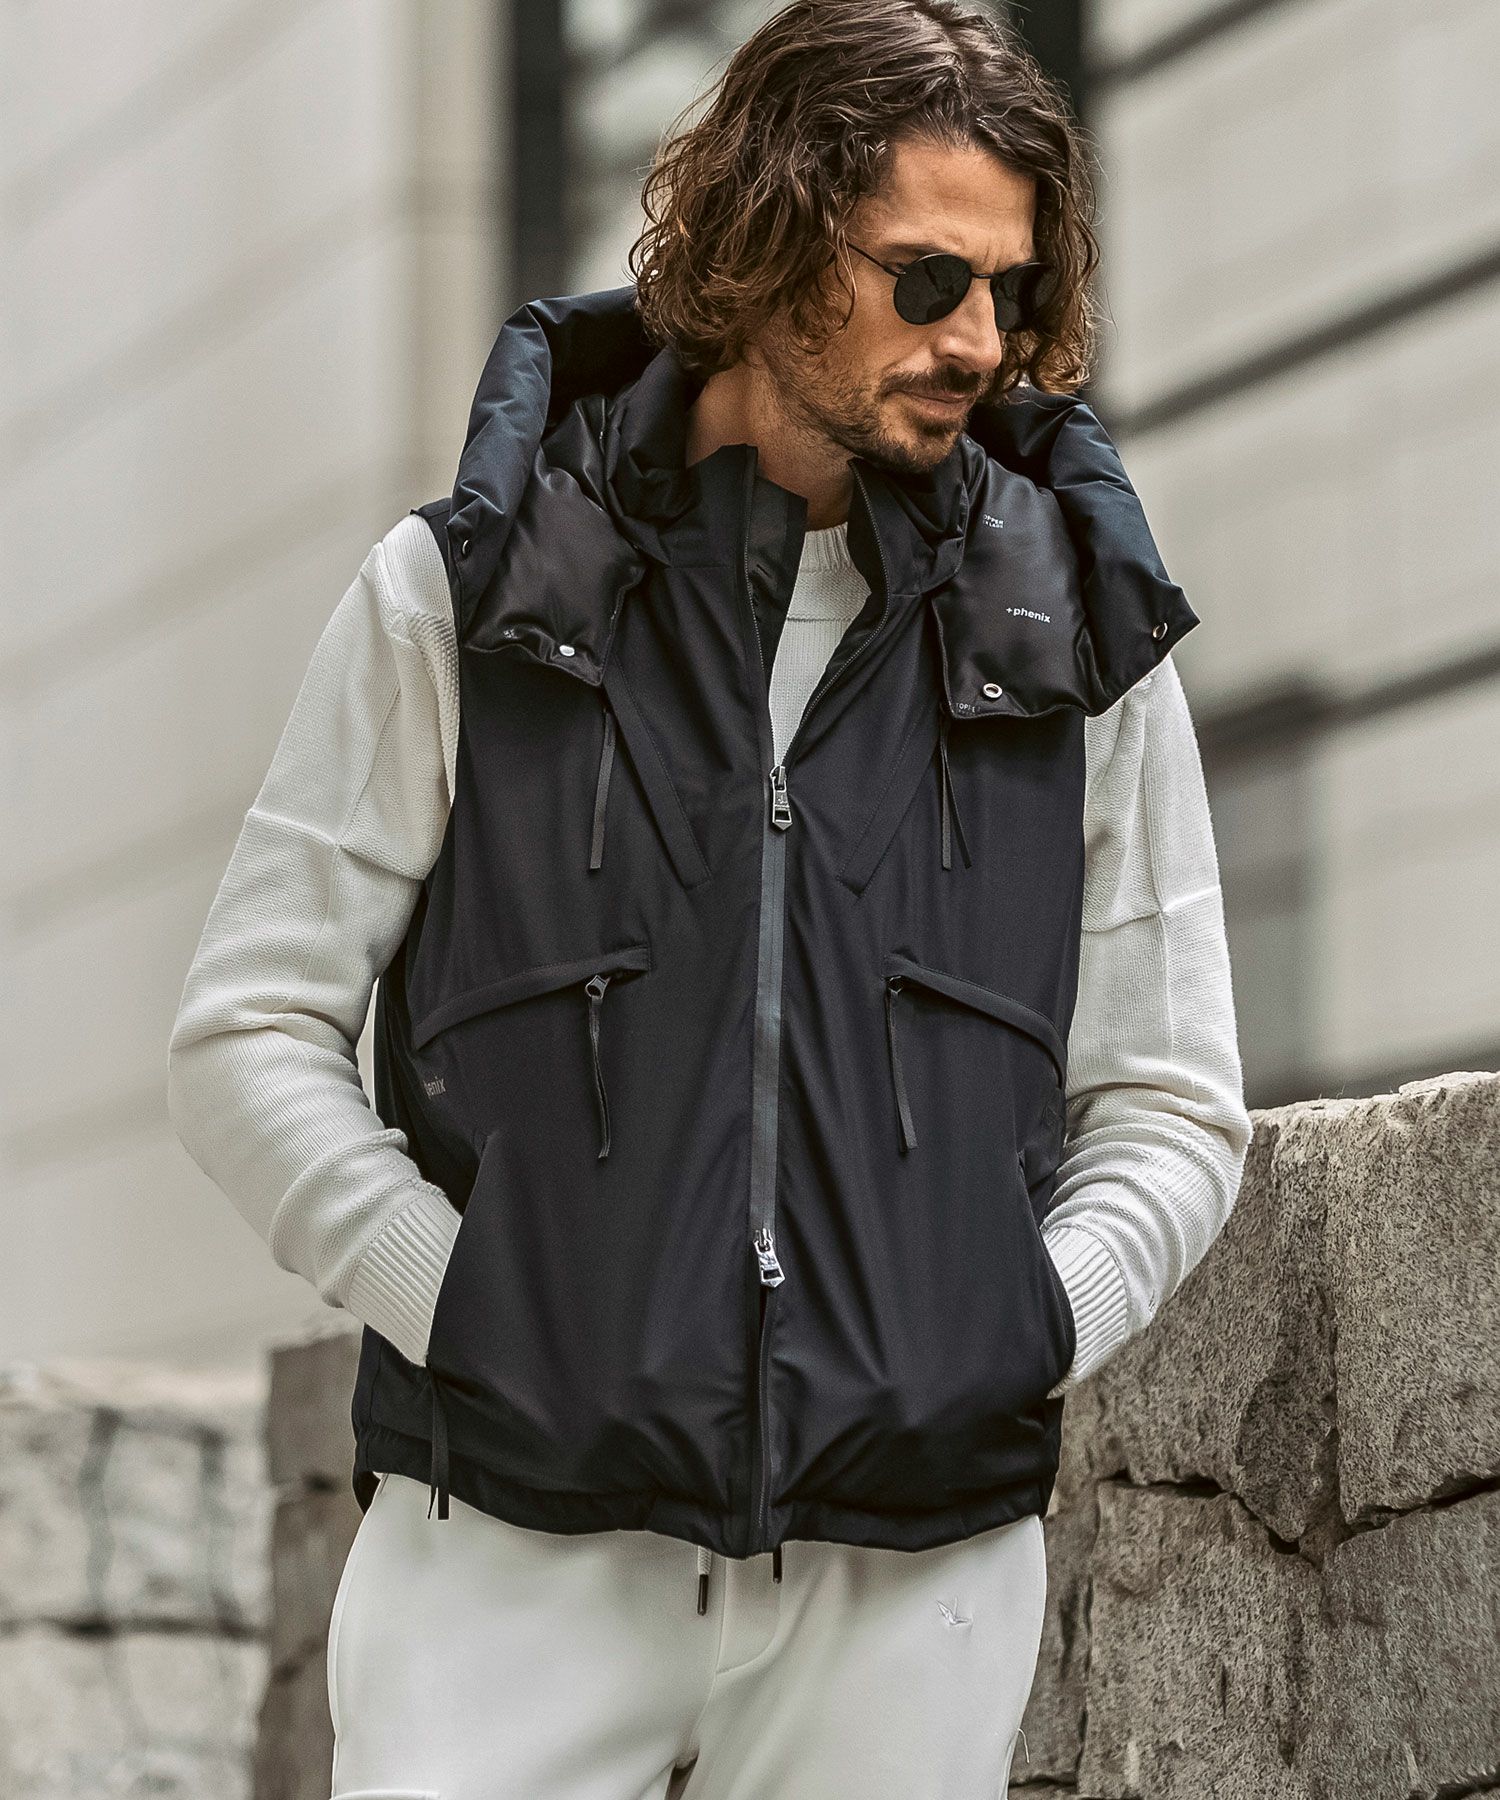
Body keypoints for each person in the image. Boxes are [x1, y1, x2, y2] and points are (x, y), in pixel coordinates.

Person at [166, 1, 1252, 1794]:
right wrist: (471, 1304)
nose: (979, 341)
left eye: (1009, 288)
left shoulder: (1074, 644)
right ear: (769, 240)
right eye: (925, 280)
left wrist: (1021, 1326)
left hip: (914, 1567)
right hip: (511, 1535)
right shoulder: (474, 595)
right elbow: (246, 1032)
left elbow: (1175, 1096)